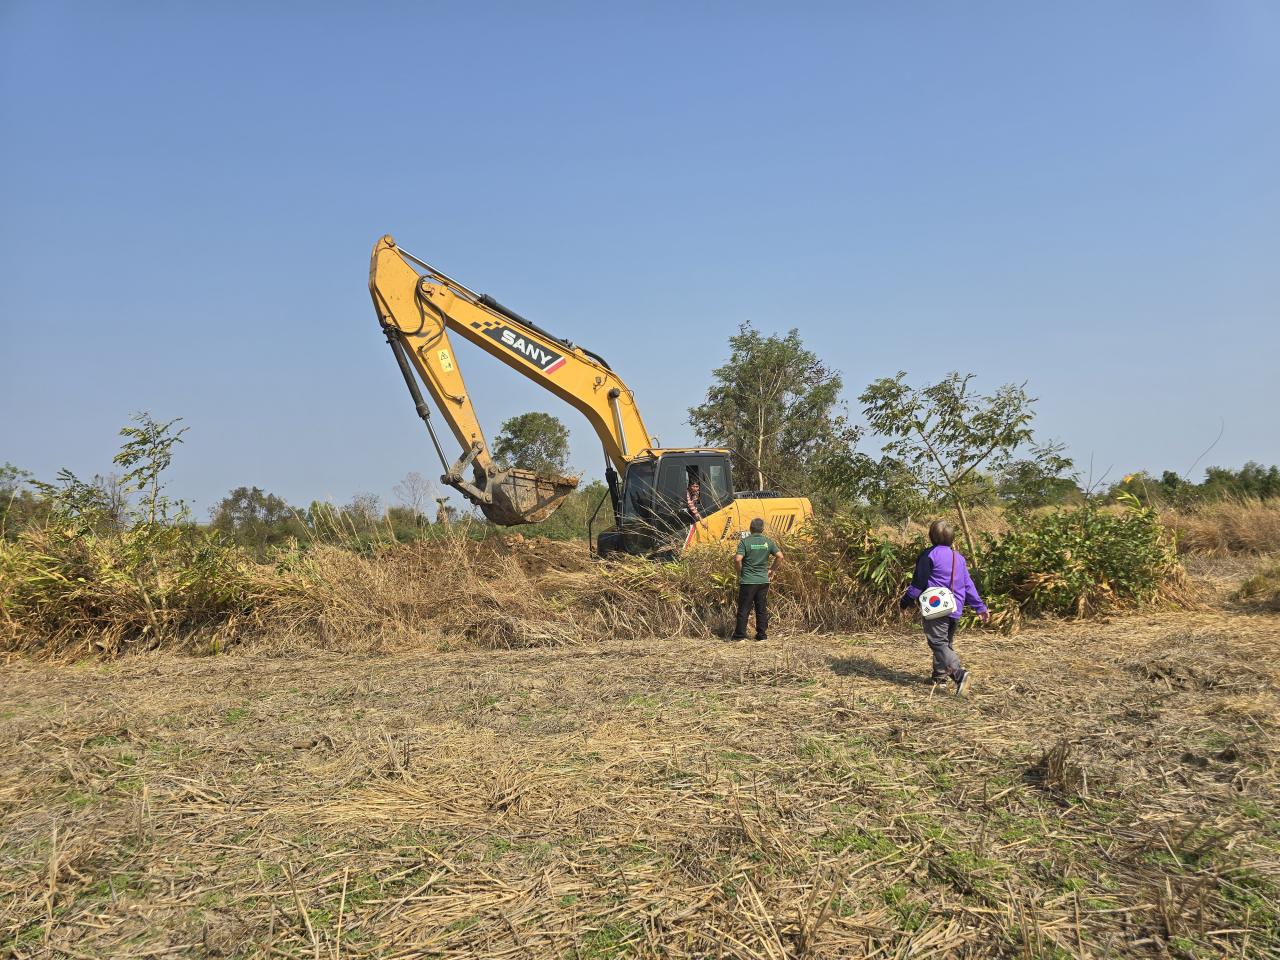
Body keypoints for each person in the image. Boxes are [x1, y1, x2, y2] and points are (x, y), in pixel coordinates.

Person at [899, 520, 988, 696]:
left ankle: (959, 674)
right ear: (951, 538)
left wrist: (905, 602)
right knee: (945, 643)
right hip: (955, 607)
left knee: (938, 642)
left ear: (931, 536)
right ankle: (939, 677)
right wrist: (979, 606)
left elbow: (918, 583)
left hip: (937, 607)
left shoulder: (929, 555)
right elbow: (968, 584)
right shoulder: (958, 557)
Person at [732, 518, 783, 641]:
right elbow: (780, 556)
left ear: (750, 528)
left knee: (744, 608)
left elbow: (738, 559)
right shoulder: (768, 541)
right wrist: (772, 570)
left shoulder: (745, 542)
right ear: (762, 529)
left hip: (748, 581)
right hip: (763, 581)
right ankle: (761, 635)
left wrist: (739, 573)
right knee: (761, 608)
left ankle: (739, 636)